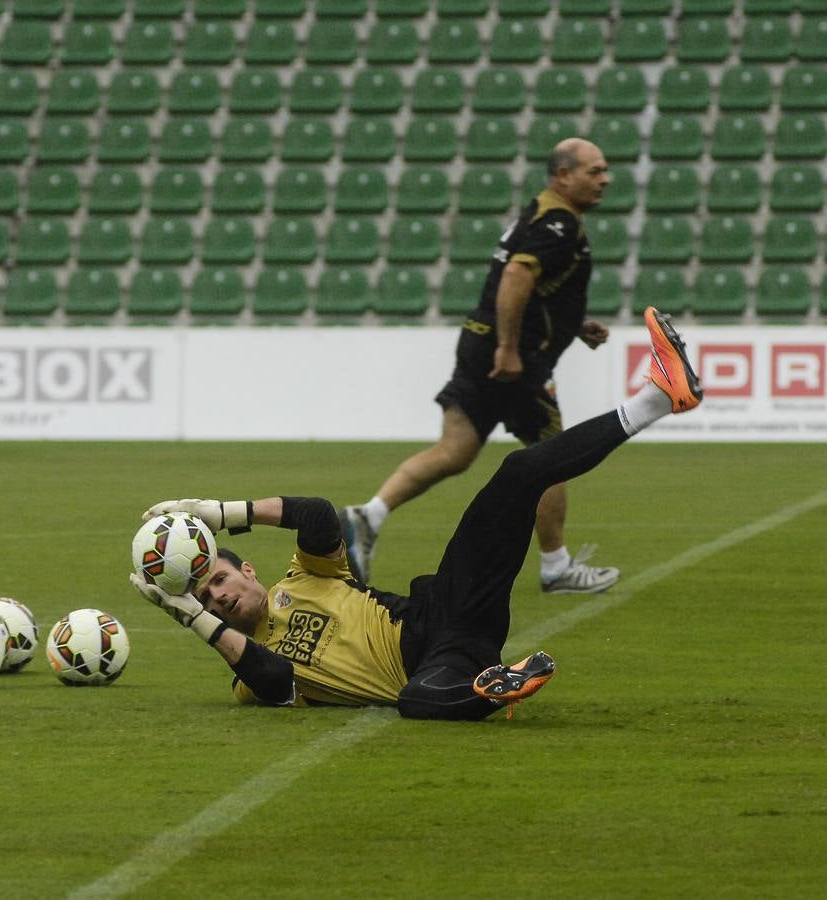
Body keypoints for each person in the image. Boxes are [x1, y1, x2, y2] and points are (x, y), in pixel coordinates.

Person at [129, 309, 702, 720]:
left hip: (447, 606)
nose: (218, 598)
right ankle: (493, 685)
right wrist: (189, 617)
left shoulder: (306, 577)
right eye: (205, 598)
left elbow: (320, 516)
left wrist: (215, 511)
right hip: (443, 665)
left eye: (220, 581)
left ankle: (655, 398)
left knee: (517, 474)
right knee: (416, 702)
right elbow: (276, 680)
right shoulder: (248, 673)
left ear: (248, 570)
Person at [340, 138, 617, 594]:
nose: (605, 179)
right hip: (513, 360)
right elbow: (516, 276)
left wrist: (571, 324)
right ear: (563, 175)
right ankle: (556, 566)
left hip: (478, 343)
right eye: (595, 170)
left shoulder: (540, 215)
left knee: (454, 450)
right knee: (553, 454)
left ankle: (367, 516)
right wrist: (509, 349)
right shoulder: (559, 223)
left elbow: (534, 286)